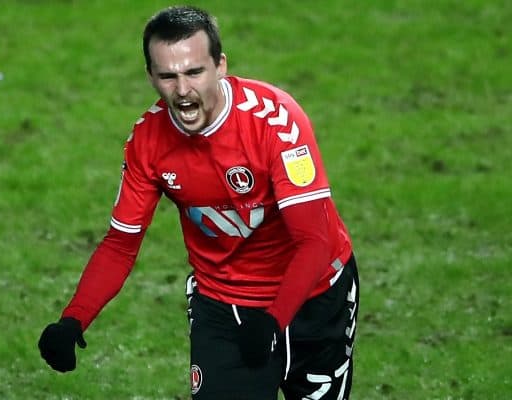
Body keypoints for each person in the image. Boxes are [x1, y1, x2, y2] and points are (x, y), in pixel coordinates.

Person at [38, 5, 360, 400]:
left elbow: (315, 240)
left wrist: (273, 321)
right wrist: (73, 321)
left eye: (194, 72)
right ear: (150, 77)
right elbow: (121, 244)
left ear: (221, 66)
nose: (183, 90)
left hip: (315, 296)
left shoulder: (276, 122)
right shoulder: (147, 143)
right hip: (223, 304)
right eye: (167, 76)